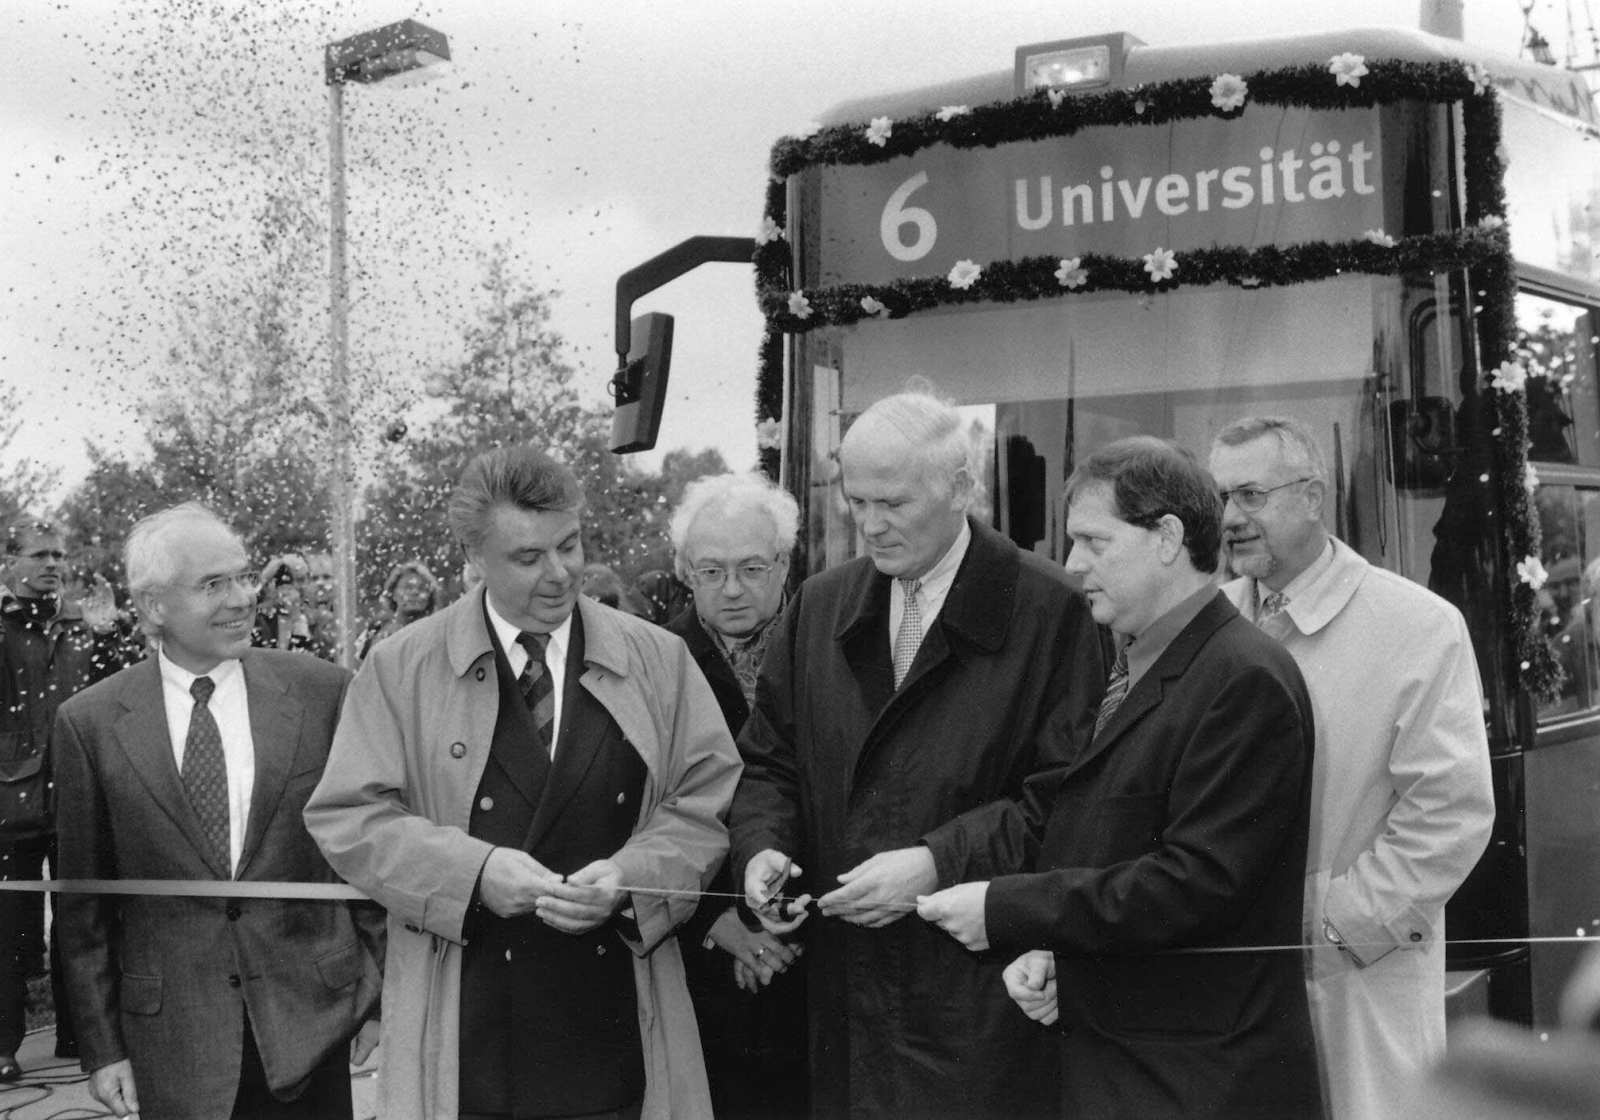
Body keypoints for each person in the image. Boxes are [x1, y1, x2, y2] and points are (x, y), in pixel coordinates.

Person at [304, 444, 742, 1120]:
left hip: (616, 1022)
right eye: (528, 558)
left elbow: (703, 803)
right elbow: (350, 818)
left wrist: (631, 879)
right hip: (466, 1028)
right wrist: (472, 873)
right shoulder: (400, 669)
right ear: (473, 558)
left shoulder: (659, 659)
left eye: (569, 545)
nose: (561, 573)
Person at [918, 436, 1322, 1119]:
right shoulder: (1143, 661)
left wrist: (1005, 910)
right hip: (1142, 1071)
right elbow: (1107, 842)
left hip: (1198, 1085)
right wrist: (1058, 956)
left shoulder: (1242, 679)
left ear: (1166, 537)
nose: (1073, 565)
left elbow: (1195, 885)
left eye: (1093, 542)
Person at [730, 388, 1103, 1119]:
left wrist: (937, 861)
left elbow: (1070, 801)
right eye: (855, 501)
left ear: (963, 489)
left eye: (893, 503)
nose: (870, 525)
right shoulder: (819, 605)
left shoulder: (1052, 610)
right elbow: (770, 762)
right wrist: (762, 852)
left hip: (984, 1002)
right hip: (847, 1006)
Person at [51, 503, 384, 1120]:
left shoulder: (321, 692)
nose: (242, 598)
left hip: (313, 1020)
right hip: (173, 1037)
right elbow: (83, 907)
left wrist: (378, 997)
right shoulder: (89, 723)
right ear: (153, 607)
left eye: (243, 577)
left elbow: (359, 853)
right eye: (213, 585)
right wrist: (101, 1049)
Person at [1209, 415, 1495, 1119]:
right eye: (1219, 498)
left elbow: (1452, 812)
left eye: (1250, 495)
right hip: (1226, 983)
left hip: (1356, 980)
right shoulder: (1205, 622)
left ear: (1312, 496)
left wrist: (1335, 924)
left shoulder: (1419, 626)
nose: (1228, 518)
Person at [666, 472, 807, 1119]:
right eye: (711, 570)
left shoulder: (831, 650)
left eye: (752, 568)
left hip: (810, 949)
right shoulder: (651, 661)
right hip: (696, 955)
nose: (732, 590)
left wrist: (783, 932)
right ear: (682, 569)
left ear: (785, 563)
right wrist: (714, 924)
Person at [0, 517, 127, 1078]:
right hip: (11, 801)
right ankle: (3, 1043)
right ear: (11, 562)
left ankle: (82, 1037)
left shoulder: (79, 624)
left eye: (59, 555)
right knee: (9, 926)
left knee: (82, 919)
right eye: (39, 555)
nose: (52, 564)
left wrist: (107, 637)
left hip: (78, 794)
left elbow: (116, 693)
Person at [357, 559, 440, 661]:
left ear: (429, 598)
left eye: (422, 588)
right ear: (393, 594)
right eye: (408, 587)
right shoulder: (377, 629)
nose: (415, 592)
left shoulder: (436, 634)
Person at [249, 554, 321, 656]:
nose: (294, 587)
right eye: (285, 582)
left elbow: (314, 659)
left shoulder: (318, 620)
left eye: (301, 580)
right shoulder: (259, 620)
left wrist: (297, 619)